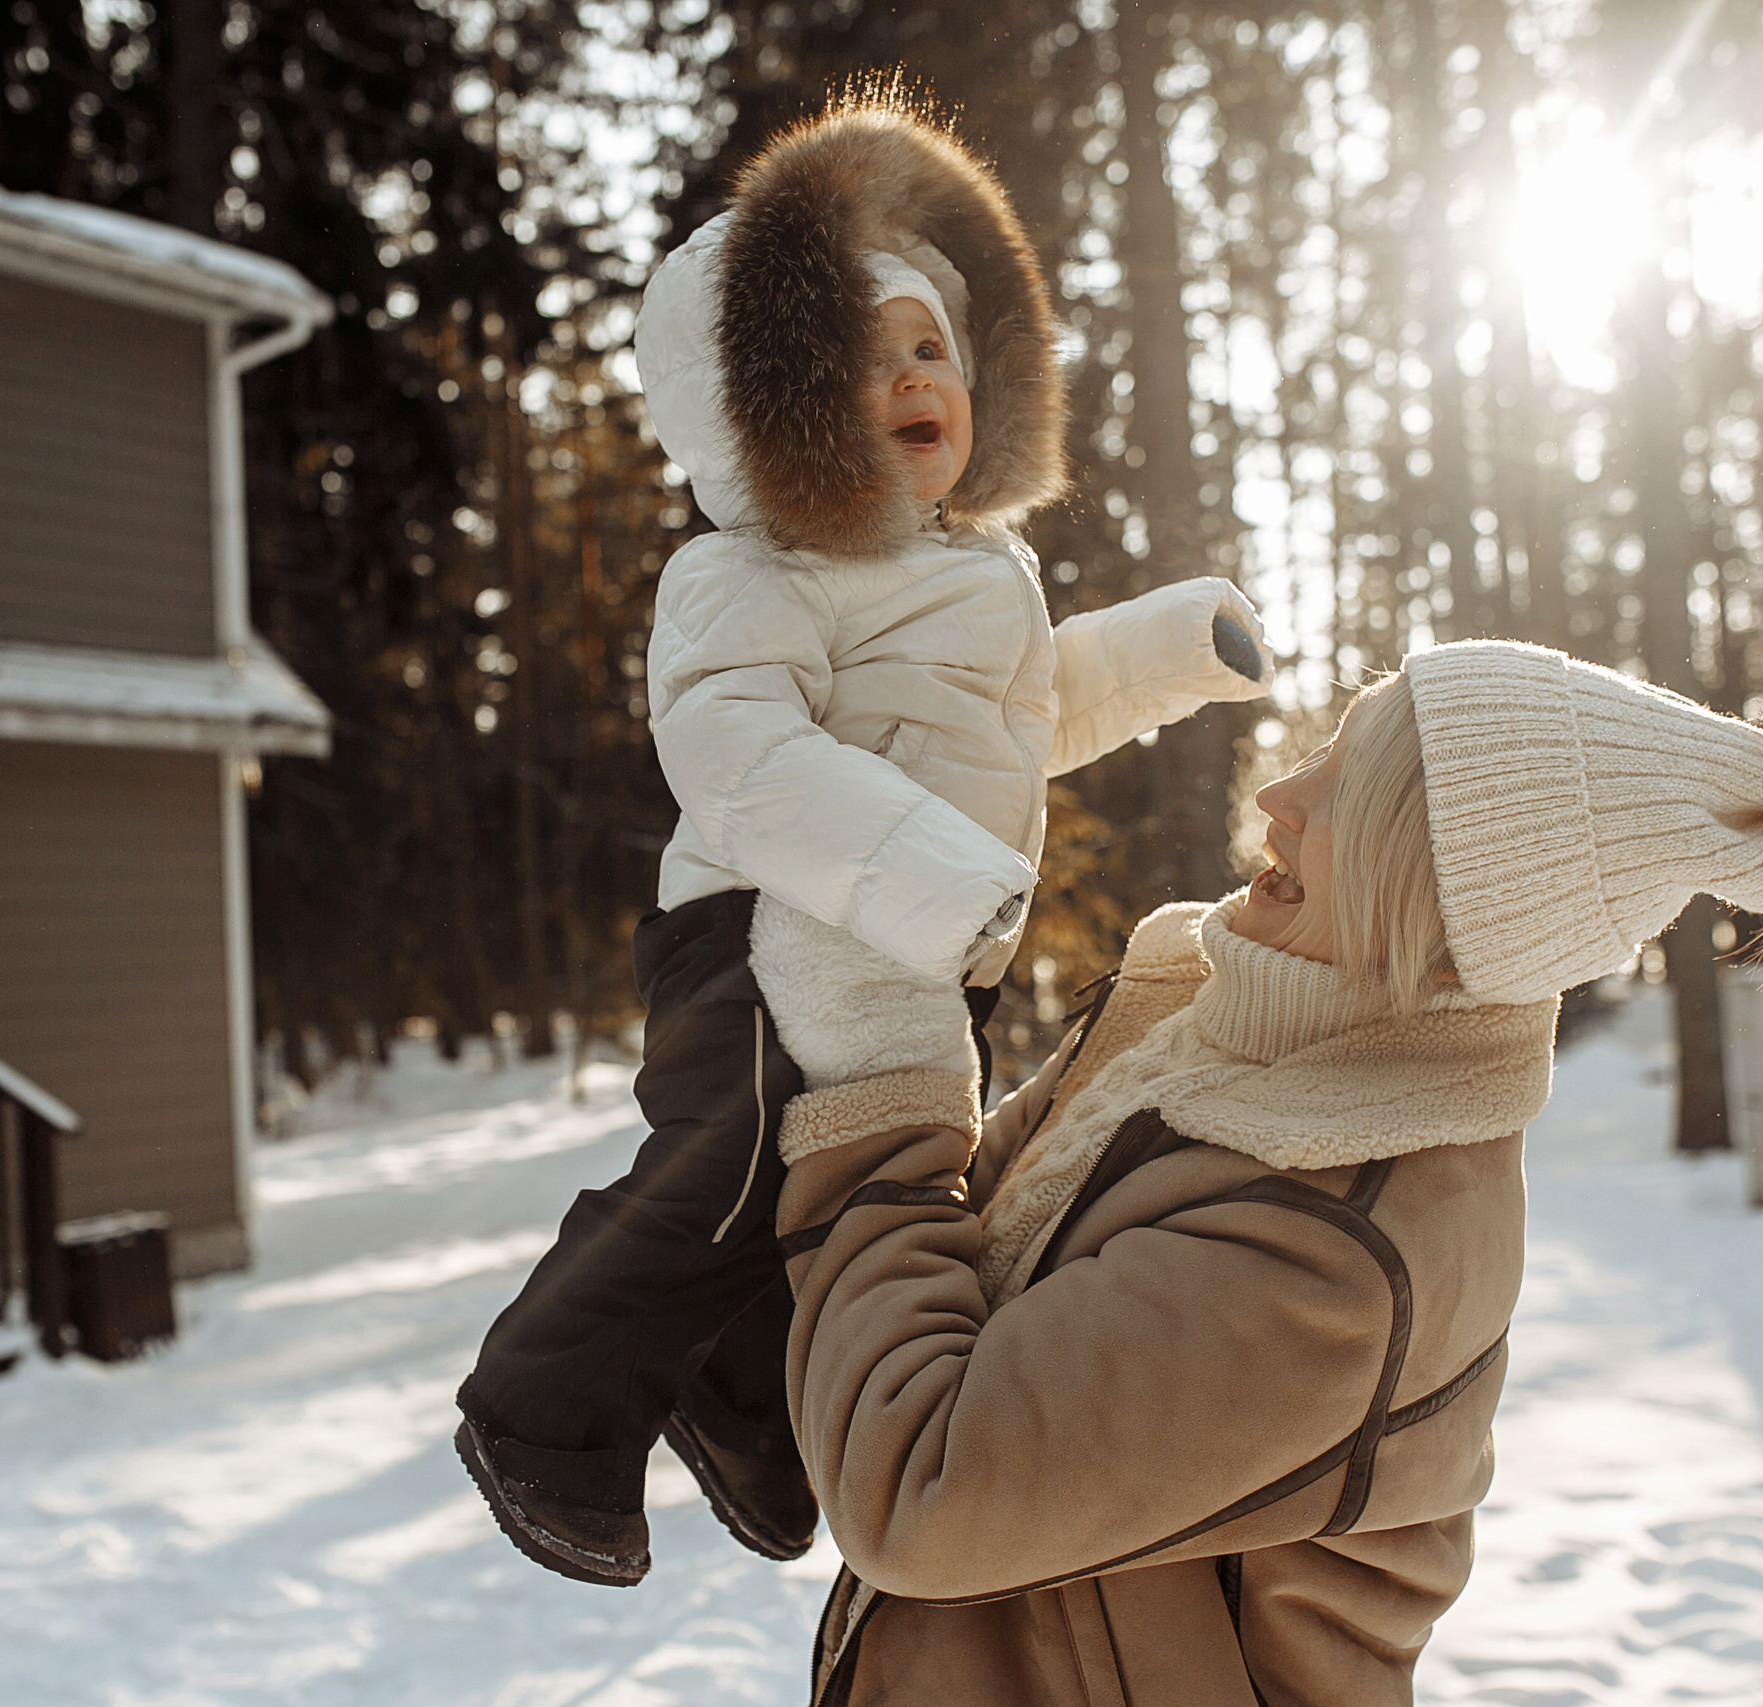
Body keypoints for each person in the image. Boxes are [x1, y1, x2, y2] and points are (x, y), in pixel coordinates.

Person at [763, 641, 1763, 1706]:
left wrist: (882, 1098)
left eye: (1351, 792)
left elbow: (921, 1486)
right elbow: (949, 1265)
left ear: (1449, 916)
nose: (1277, 794)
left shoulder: (1335, 1240)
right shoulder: (1211, 1022)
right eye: (1323, 750)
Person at [454, 94, 1273, 1588]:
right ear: (769, 405)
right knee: (738, 1160)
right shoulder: (749, 570)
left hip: (916, 943)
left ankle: (753, 1410)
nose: (912, 376)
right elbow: (738, 753)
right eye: (865, 353)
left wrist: (1173, 649)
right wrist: (933, 881)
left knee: (849, 1185)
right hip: (765, 933)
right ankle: (542, 1409)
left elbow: (1034, 714)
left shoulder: (984, 574)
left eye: (933, 348)